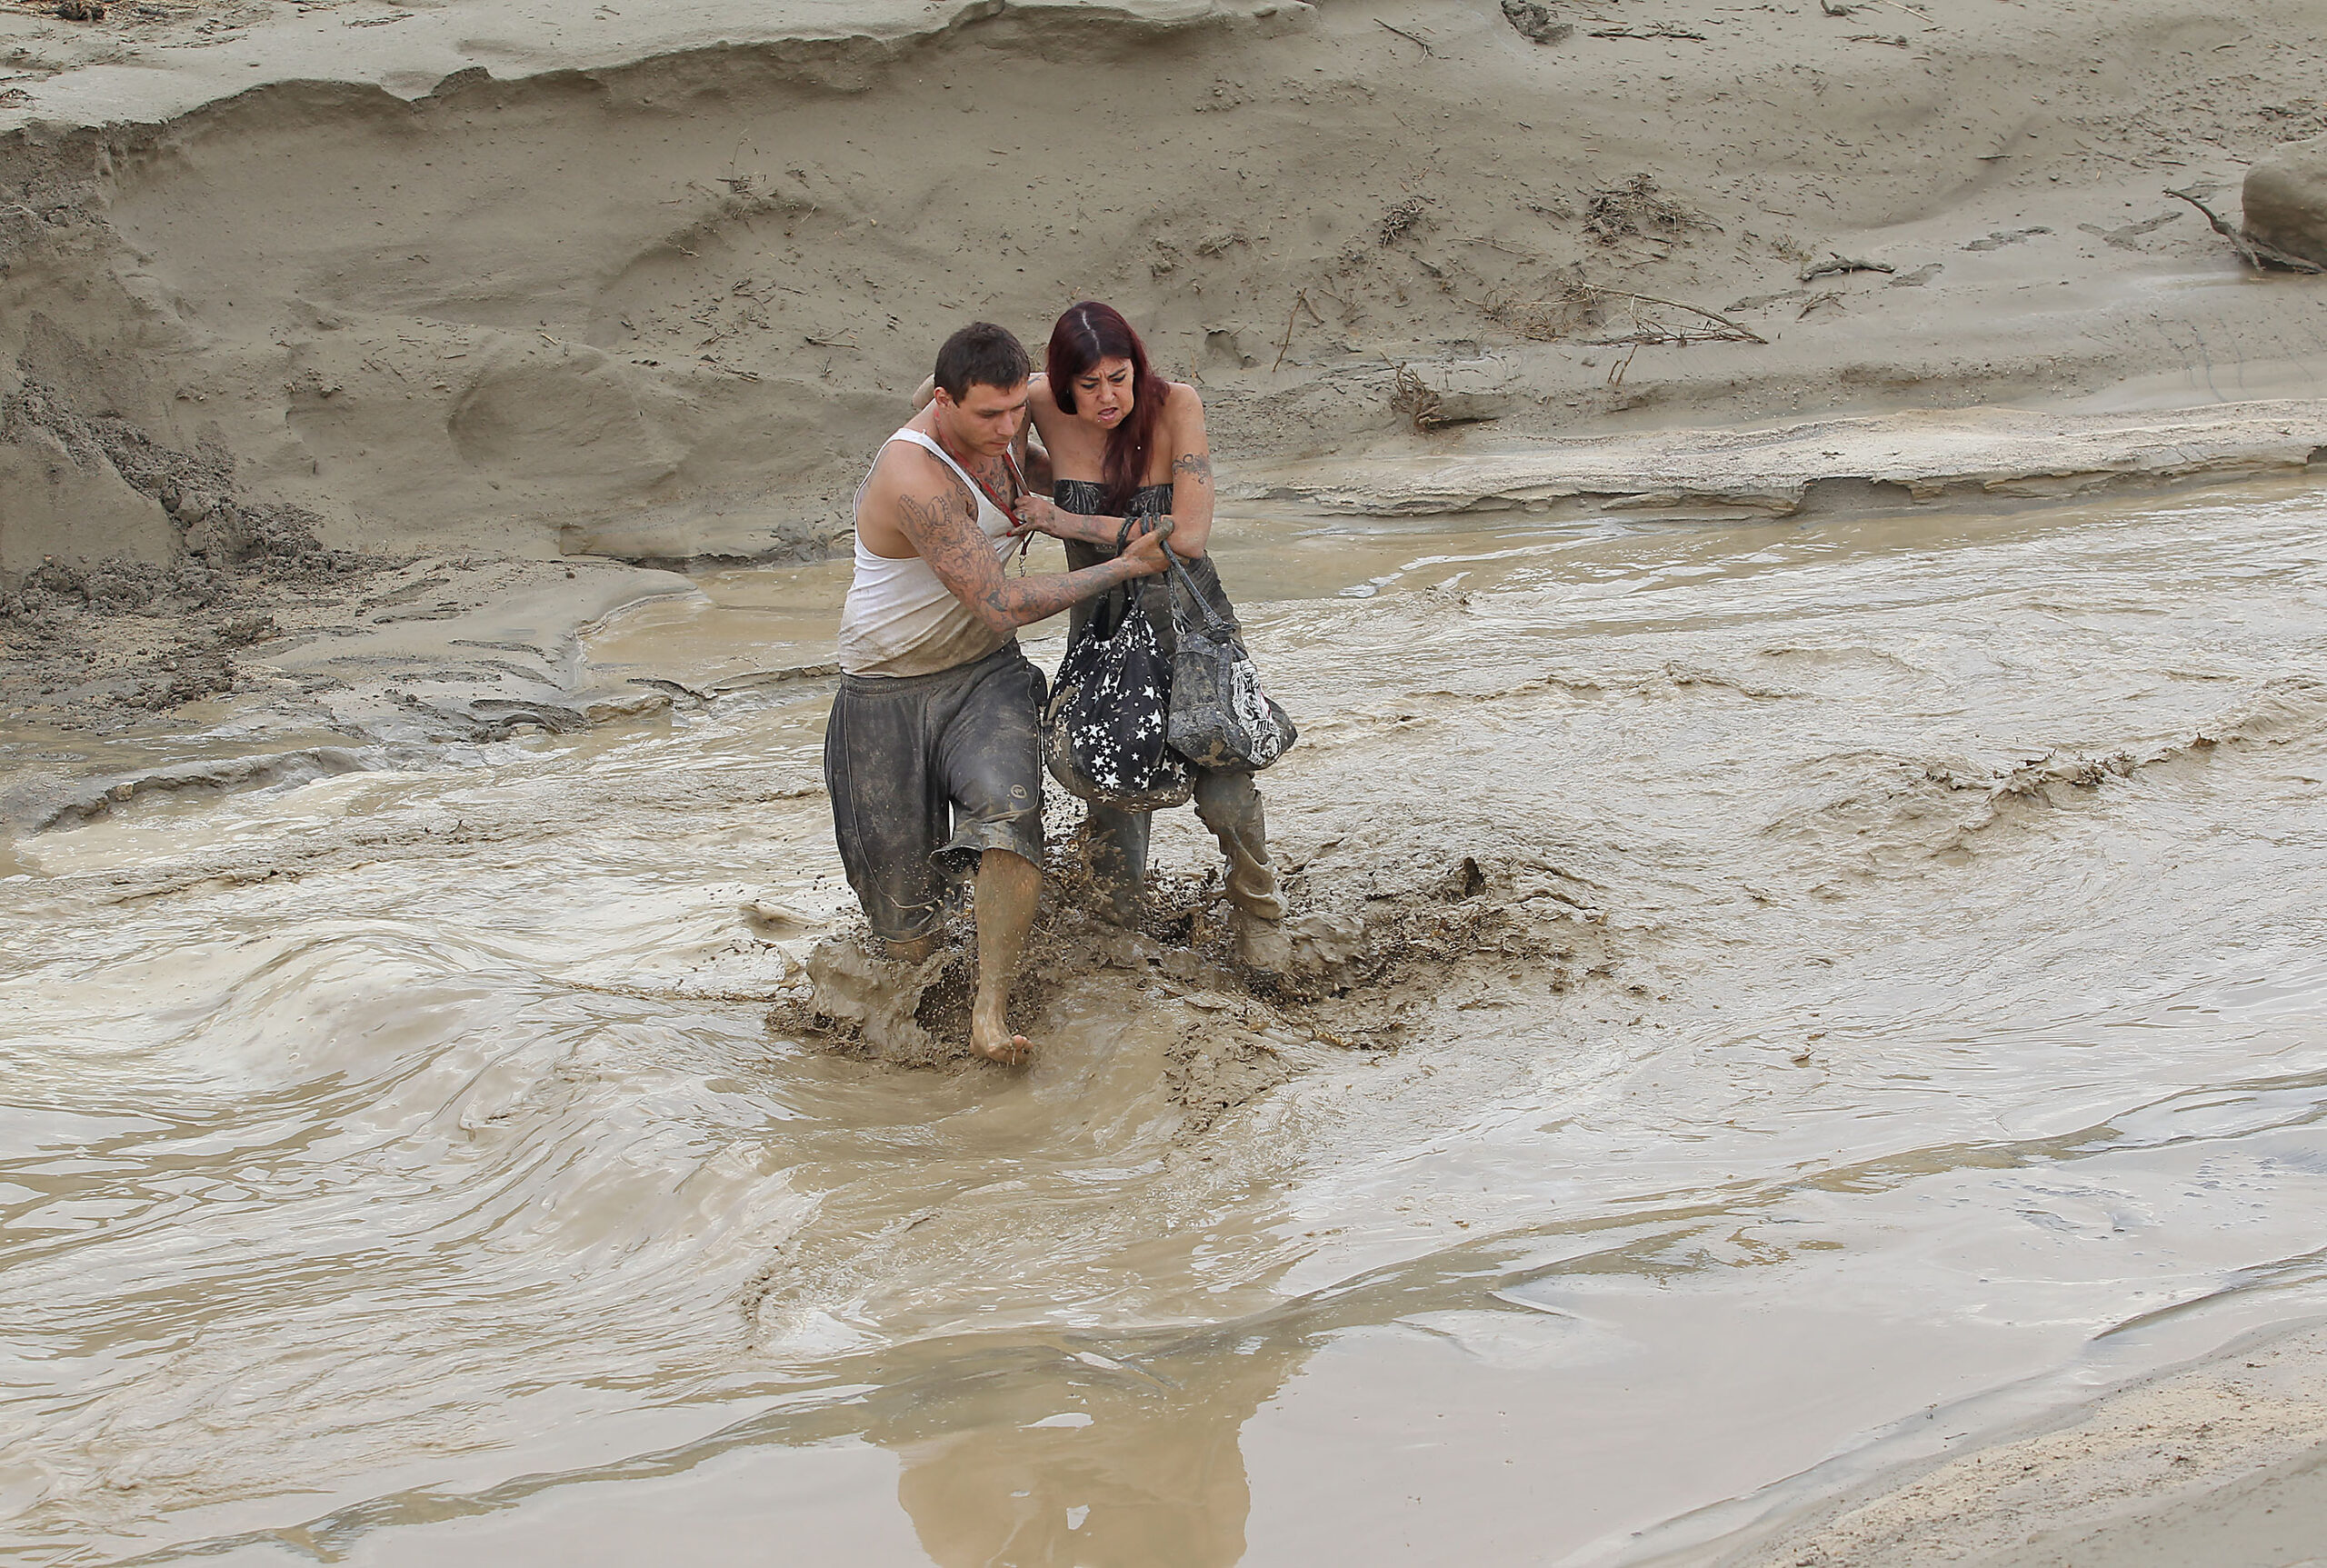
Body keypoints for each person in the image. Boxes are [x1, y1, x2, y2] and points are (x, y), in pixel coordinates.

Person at [828, 322, 1172, 1065]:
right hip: (883, 693)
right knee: (906, 930)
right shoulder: (914, 478)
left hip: (985, 674)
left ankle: (992, 1007)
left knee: (1008, 812)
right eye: (988, 415)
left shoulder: (1005, 428)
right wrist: (1123, 565)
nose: (1008, 428)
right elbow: (1003, 602)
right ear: (946, 403)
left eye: (1017, 410)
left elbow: (1071, 439)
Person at [1010, 302, 1291, 972]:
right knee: (1114, 788)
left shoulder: (1176, 406)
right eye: (1089, 384)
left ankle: (1260, 911)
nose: (1107, 397)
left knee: (1226, 788)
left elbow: (1187, 537)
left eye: (1119, 376)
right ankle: (1117, 937)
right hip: (1102, 626)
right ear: (1062, 380)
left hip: (1188, 625)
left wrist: (1067, 521)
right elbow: (948, 404)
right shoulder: (1039, 401)